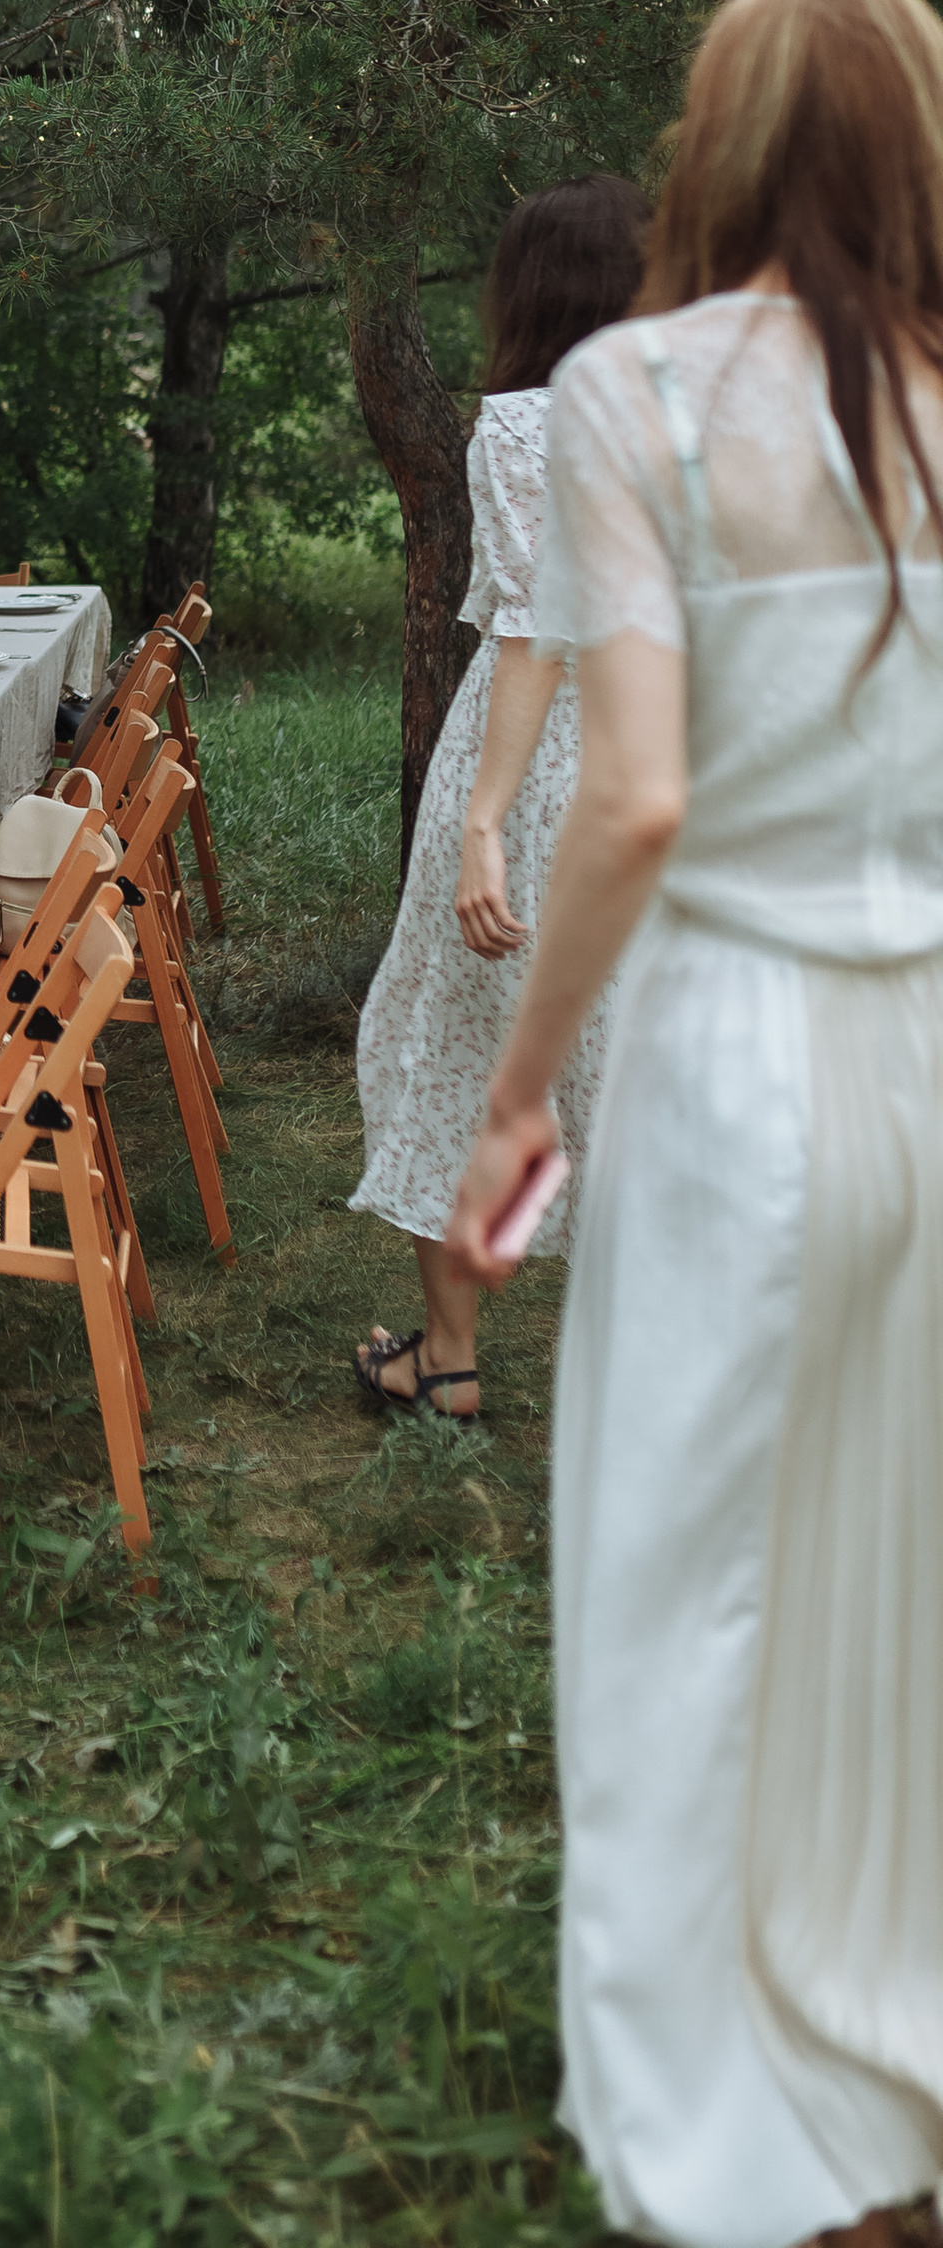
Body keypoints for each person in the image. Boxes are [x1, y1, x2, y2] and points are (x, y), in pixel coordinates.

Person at [446, 0, 943, 2248]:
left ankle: (727, 2129)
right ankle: (883, 2052)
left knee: (676, 1583)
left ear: (717, 138)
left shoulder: (627, 388)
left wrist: (517, 1090)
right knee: (885, 1573)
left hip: (742, 1048)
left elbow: (628, 799)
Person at [349, 175, 649, 1420]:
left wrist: (482, 819)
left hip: (537, 769)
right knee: (621, 1055)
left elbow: (533, 632)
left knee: (448, 1044)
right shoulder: (692, 423)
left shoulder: (527, 425)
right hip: (660, 755)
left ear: (530, 288)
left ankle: (452, 1359)